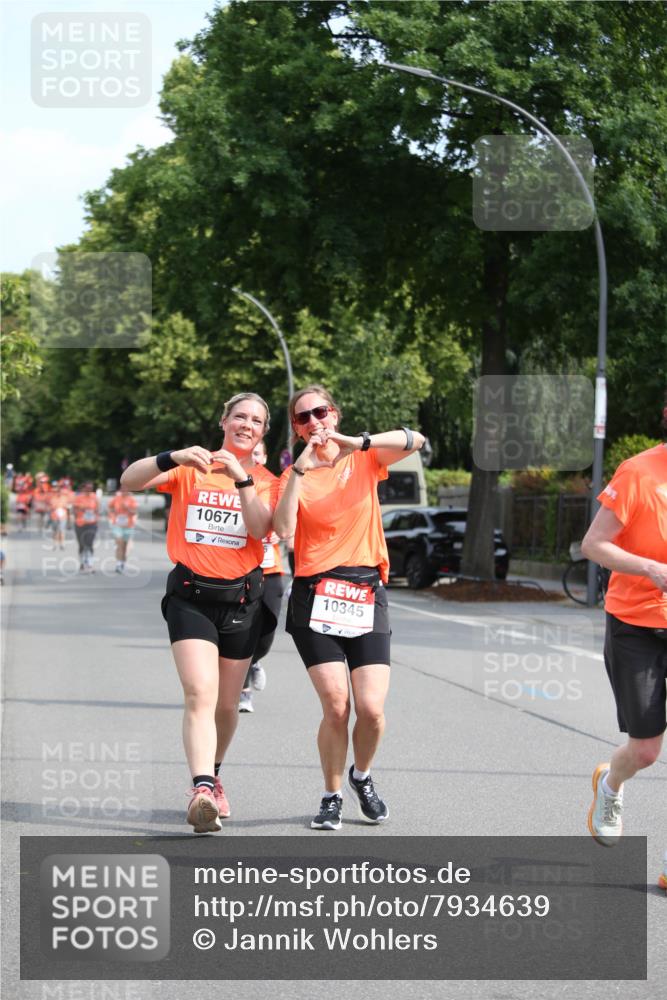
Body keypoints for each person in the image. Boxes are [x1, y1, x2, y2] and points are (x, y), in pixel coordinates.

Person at [120, 393, 276, 834]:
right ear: (224, 421)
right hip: (191, 597)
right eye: (240, 416)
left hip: (242, 601)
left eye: (257, 421)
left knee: (227, 705)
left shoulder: (267, 480)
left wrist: (242, 477)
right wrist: (170, 456)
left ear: (263, 432)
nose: (247, 424)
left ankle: (215, 773)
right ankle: (201, 789)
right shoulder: (191, 470)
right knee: (199, 693)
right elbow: (129, 481)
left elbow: (262, 528)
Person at [274, 385, 425, 831]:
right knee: (337, 706)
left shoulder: (365, 457)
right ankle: (331, 794)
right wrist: (298, 470)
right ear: (297, 430)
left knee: (372, 709)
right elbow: (283, 530)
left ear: (334, 415)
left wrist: (357, 442)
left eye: (320, 412)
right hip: (315, 595)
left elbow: (417, 440)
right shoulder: (293, 476)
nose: (314, 421)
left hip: (364, 591)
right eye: (303, 418)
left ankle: (362, 775)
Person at [581, 401, 667, 892]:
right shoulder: (638, 472)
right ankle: (610, 784)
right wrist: (651, 569)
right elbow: (594, 544)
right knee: (647, 749)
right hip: (636, 623)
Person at [238, 440, 287, 713]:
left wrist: (284, 529)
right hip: (242, 570)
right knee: (244, 631)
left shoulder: (277, 484)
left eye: (258, 453)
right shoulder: (232, 482)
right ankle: (244, 692)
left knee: (266, 634)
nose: (254, 458)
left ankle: (256, 660)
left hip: (271, 570)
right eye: (249, 453)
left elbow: (294, 517)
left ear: (266, 456)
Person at [107, 484, 138, 573]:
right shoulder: (117, 498)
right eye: (122, 488)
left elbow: (135, 512)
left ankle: (123, 562)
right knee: (119, 543)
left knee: (124, 546)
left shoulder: (132, 500)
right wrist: (112, 514)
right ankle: (118, 563)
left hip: (128, 525)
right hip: (117, 525)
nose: (123, 490)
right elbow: (110, 507)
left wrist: (128, 508)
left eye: (125, 488)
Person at [72, 482, 99, 572]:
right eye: (87, 488)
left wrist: (95, 518)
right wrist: (81, 510)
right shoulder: (78, 498)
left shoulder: (94, 497)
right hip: (80, 523)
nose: (89, 490)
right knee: (81, 544)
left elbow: (97, 510)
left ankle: (90, 563)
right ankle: (82, 563)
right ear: (83, 489)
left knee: (89, 543)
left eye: (91, 488)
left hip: (92, 523)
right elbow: (74, 510)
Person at [48, 482, 68, 550]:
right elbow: (51, 507)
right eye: (57, 491)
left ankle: (62, 544)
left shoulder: (64, 498)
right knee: (55, 531)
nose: (59, 493)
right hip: (54, 516)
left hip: (63, 516)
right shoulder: (52, 498)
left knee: (61, 531)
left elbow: (67, 507)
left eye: (60, 491)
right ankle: (55, 544)